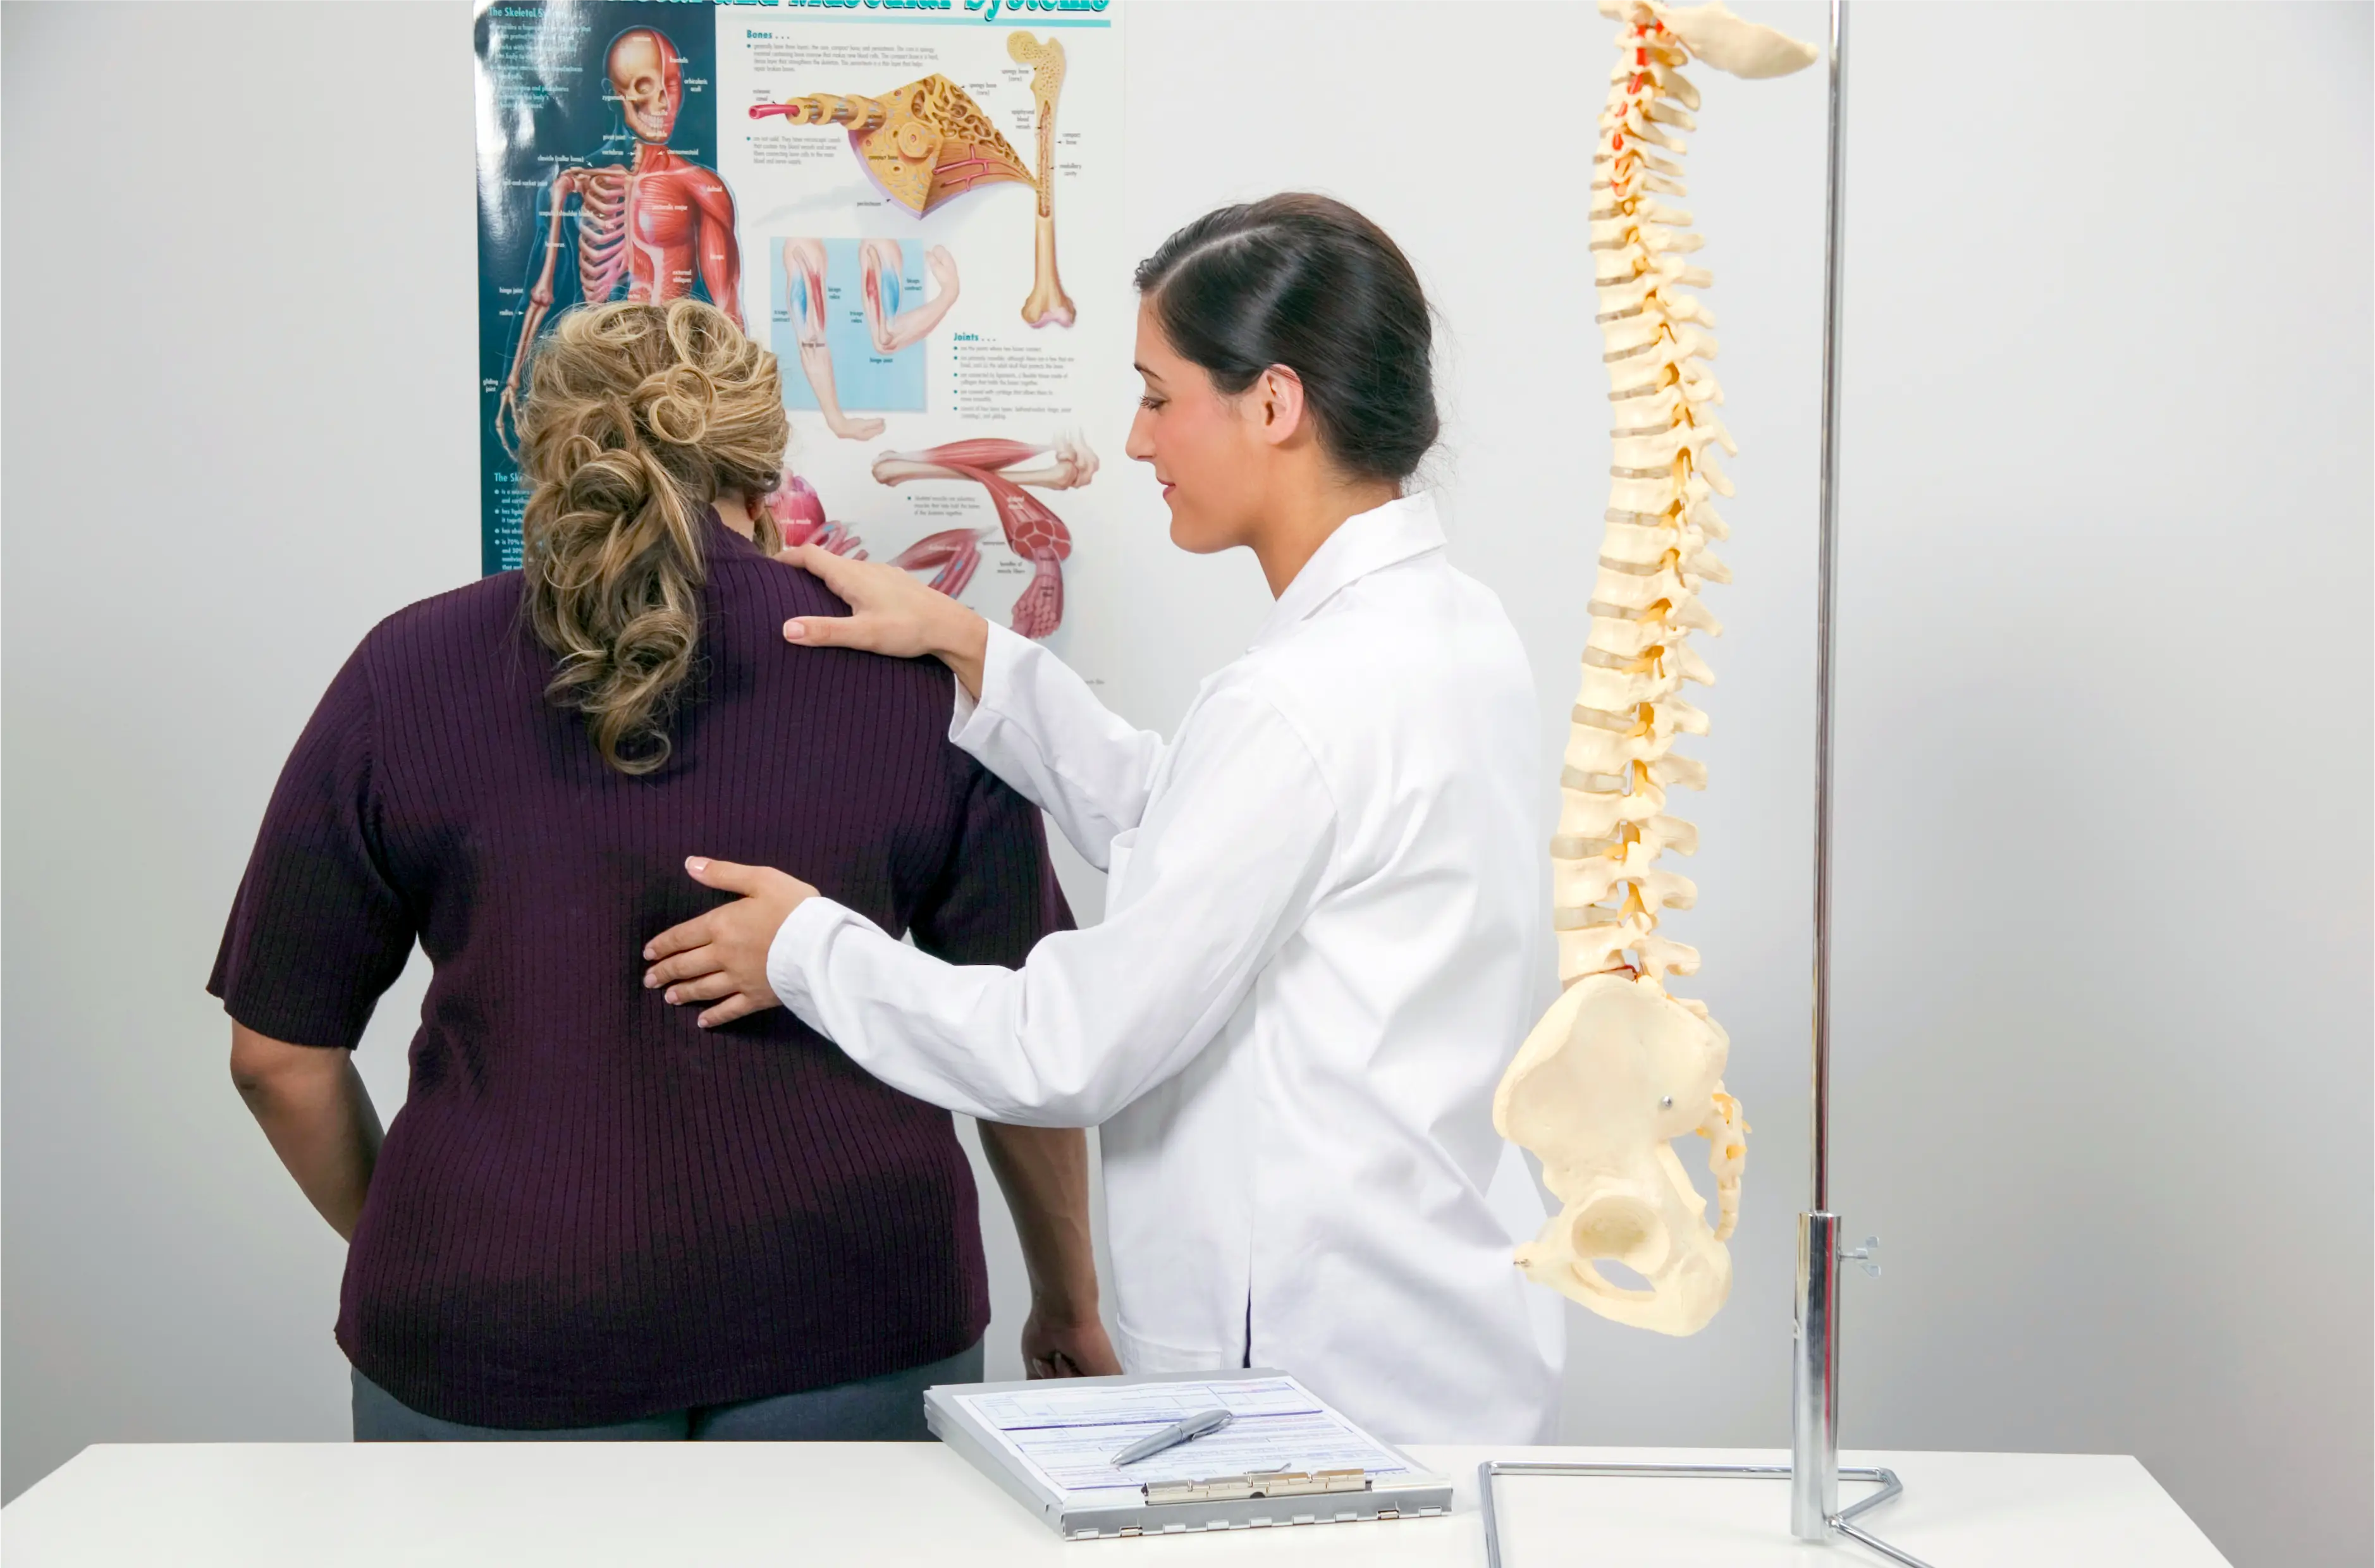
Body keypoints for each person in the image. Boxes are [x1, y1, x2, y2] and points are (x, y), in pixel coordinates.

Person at [639, 195, 1565, 1443]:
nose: (1134, 441)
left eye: (1156, 392)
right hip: (1429, 1325)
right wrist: (974, 647)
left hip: (1320, 1368)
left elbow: (1069, 1046)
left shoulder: (1308, 701)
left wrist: (807, 950)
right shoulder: (1451, 632)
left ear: (1275, 404)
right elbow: (1207, 825)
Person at [212, 299, 1117, 1442]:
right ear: (765, 470)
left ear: (547, 454)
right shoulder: (908, 672)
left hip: (494, 1340)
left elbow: (275, 1060)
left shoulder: (409, 670)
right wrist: (1070, 1302)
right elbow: (1023, 1034)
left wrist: (438, 1250)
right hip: (854, 1314)